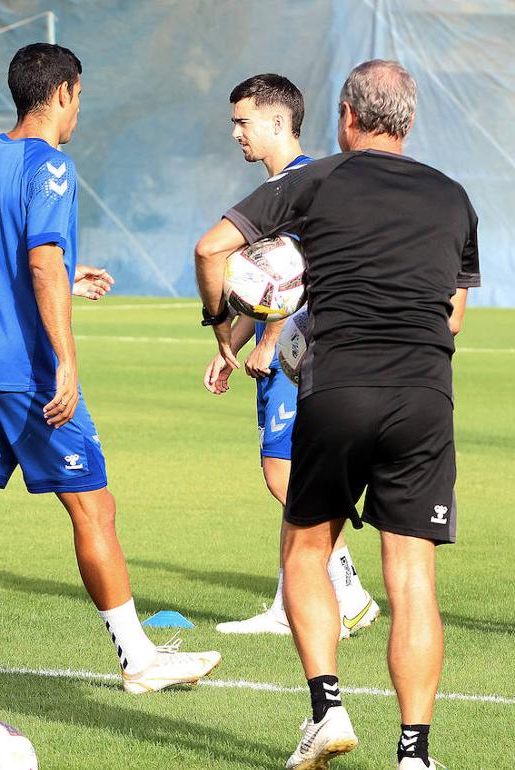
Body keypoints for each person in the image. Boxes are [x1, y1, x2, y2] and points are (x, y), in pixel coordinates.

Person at [0, 42, 221, 696]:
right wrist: (65, 361)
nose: (78, 108)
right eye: (79, 96)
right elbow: (37, 262)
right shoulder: (52, 166)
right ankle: (139, 661)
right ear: (62, 92)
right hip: (27, 375)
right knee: (94, 507)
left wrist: (65, 274)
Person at [195, 60, 479, 770]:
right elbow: (452, 318)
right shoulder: (454, 197)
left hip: (340, 386)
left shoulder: (313, 180)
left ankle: (326, 713)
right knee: (412, 576)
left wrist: (220, 323)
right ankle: (414, 755)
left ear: (348, 118)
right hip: (424, 396)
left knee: (306, 551)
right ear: (408, 123)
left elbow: (213, 249)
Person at [201, 74, 378, 637]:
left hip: (301, 352)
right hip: (292, 346)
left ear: (279, 122)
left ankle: (345, 591)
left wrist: (272, 344)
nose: (235, 133)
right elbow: (267, 282)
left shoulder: (304, 183)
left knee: (286, 473)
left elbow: (303, 275)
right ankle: (293, 603)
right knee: (287, 470)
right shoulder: (291, 181)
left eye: (243, 121)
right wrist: (231, 341)